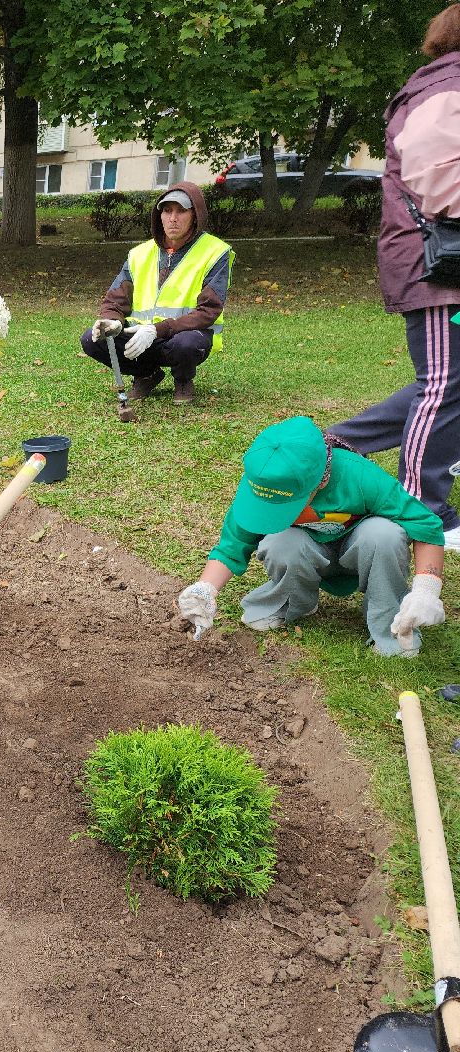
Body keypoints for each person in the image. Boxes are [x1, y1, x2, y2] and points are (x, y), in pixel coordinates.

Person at [326, 5, 460, 551]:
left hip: (441, 258)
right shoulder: (446, 87)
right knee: (444, 382)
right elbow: (437, 178)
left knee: (448, 380)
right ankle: (424, 506)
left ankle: (335, 445)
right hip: (437, 264)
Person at [175, 416, 446, 657]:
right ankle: (295, 603)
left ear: (321, 481)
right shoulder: (264, 483)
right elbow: (232, 544)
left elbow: (425, 523)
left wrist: (426, 591)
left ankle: (392, 626)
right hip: (306, 551)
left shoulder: (358, 475)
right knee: (279, 542)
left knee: (384, 533)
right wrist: (205, 589)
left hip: (363, 553)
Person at [80, 182, 233, 405]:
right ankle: (146, 374)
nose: (173, 218)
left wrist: (157, 329)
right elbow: (116, 298)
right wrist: (111, 321)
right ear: (159, 215)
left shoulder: (216, 252)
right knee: (92, 339)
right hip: (141, 337)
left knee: (186, 344)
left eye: (181, 211)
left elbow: (208, 311)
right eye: (167, 210)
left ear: (195, 215)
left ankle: (183, 380)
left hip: (185, 336)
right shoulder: (139, 254)